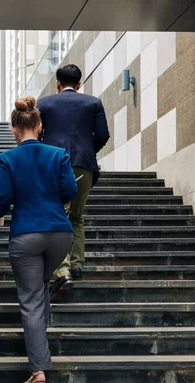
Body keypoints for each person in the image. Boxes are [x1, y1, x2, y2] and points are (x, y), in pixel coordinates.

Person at [0, 96, 77, 383]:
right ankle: (40, 346)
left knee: (30, 299)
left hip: (25, 234)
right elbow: (70, 190)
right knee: (39, 287)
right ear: (39, 126)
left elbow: (3, 200)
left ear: (14, 128)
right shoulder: (58, 154)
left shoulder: (7, 158)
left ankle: (38, 371)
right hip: (60, 235)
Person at [37, 64, 110, 301]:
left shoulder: (45, 104)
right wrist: (87, 151)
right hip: (83, 164)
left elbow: (36, 134)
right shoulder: (93, 103)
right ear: (79, 84)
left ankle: (63, 270)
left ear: (57, 83)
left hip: (53, 163)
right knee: (76, 216)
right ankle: (77, 265)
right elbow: (102, 135)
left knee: (57, 215)